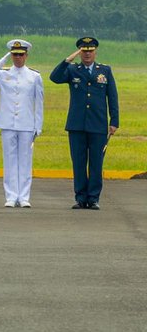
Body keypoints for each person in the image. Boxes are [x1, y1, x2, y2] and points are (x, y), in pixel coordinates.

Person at [49, 36, 119, 210]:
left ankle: (93, 198)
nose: (87, 54)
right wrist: (67, 60)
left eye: (90, 51)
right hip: (77, 125)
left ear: (95, 52)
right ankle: (80, 198)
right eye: (84, 51)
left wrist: (114, 121)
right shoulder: (73, 70)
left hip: (98, 124)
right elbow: (54, 77)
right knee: (79, 163)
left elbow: (112, 96)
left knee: (96, 163)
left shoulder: (105, 70)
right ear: (79, 52)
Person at [0, 39, 44, 207]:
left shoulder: (34, 76)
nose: (18, 58)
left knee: (25, 161)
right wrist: (3, 59)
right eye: (15, 55)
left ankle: (24, 197)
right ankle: (10, 196)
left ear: (26, 56)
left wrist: (38, 126)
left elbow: (39, 103)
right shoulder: (2, 74)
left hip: (26, 124)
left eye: (21, 55)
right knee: (9, 161)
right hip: (7, 123)